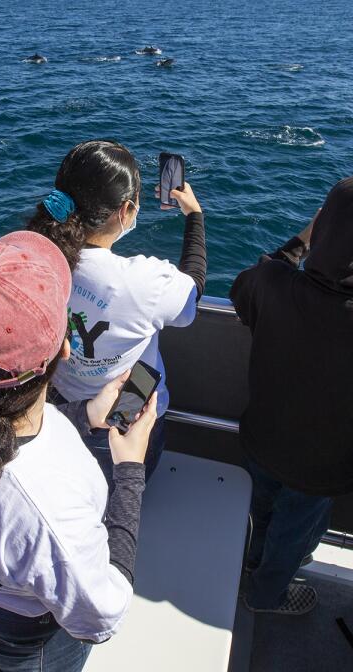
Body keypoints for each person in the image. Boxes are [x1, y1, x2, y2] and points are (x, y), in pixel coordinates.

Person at [0, 231, 157, 670]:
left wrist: (86, 412)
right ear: (66, 349)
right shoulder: (49, 516)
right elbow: (101, 615)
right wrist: (129, 469)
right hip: (32, 636)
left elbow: (7, 431)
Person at [230, 172, 353, 616]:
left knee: (261, 510)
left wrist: (301, 242)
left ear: (322, 228)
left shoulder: (273, 283)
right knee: (294, 530)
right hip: (323, 461)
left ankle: (251, 562)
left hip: (261, 437)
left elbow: (246, 284)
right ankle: (266, 595)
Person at [27, 140, 206, 479]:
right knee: (121, 490)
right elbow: (191, 294)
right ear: (125, 211)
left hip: (62, 406)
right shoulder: (140, 282)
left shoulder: (37, 255)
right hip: (126, 415)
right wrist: (194, 216)